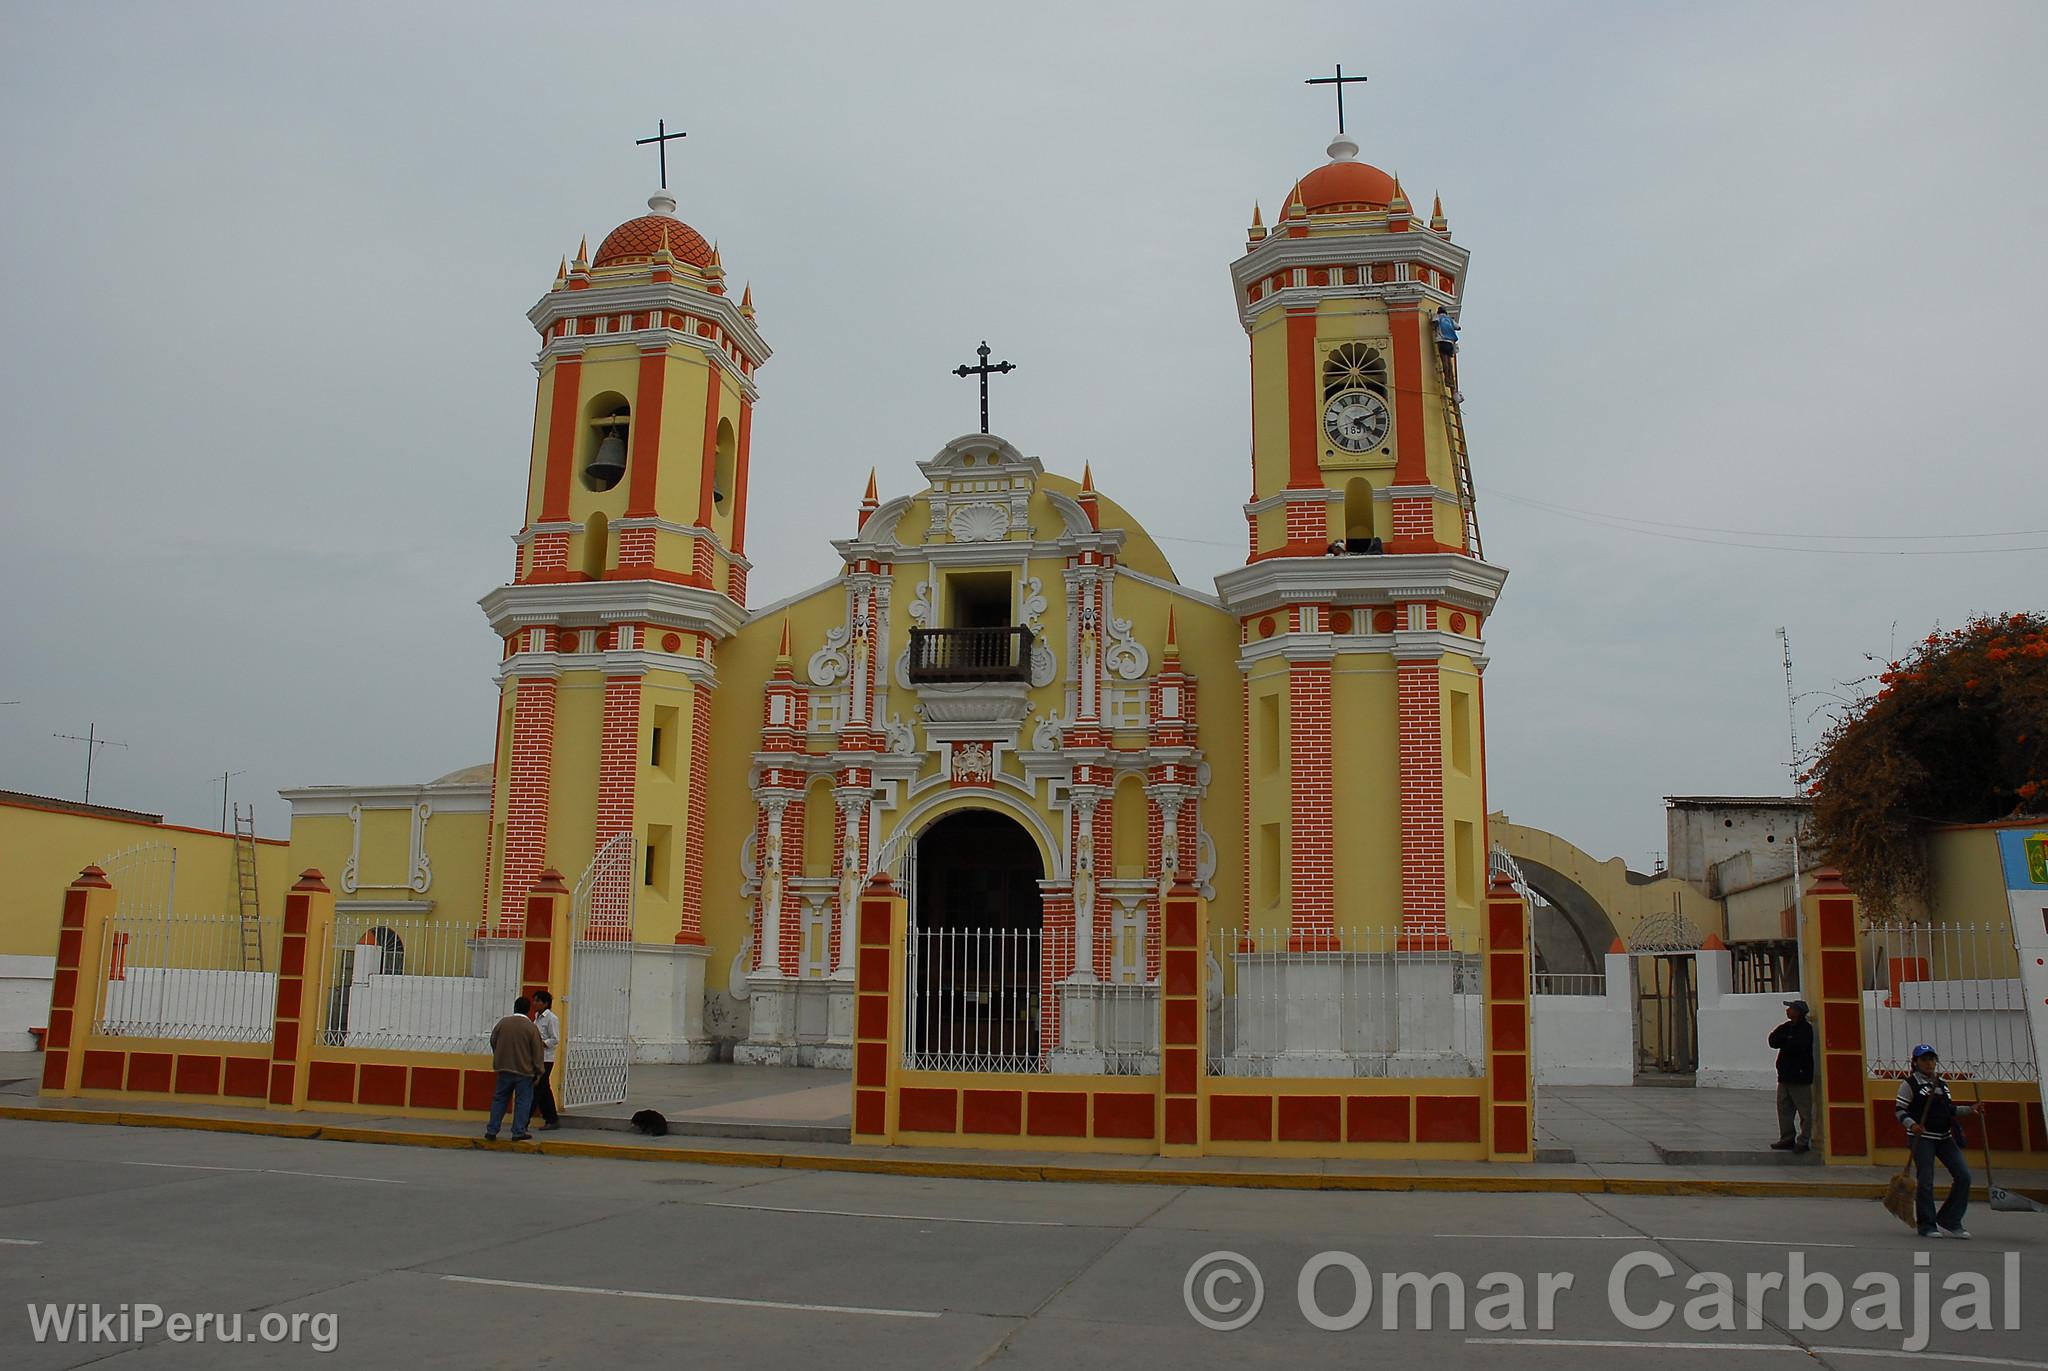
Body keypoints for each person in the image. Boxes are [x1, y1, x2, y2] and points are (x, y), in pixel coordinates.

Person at [1894, 1044, 1976, 1239]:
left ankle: (1950, 1218)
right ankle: (1927, 1225)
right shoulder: (1909, 1084)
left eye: (1932, 1059)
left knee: (1964, 1176)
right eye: (1924, 1059)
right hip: (1922, 1139)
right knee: (1926, 1181)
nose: (1929, 1063)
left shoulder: (1942, 1084)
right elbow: (1900, 1110)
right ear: (1915, 1062)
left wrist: (1971, 1110)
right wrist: (1913, 1125)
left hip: (1944, 1138)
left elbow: (1949, 1110)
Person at [485, 995, 546, 1143]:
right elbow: (537, 1051)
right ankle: (518, 1131)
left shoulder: (503, 1023)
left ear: (515, 1008)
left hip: (504, 1068)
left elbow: (493, 1040)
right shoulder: (531, 1028)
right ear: (528, 1010)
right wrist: (539, 1070)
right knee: (523, 1101)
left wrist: (499, 1056)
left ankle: (492, 1130)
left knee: (499, 1099)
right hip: (524, 1071)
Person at [1767, 999, 1816, 1153]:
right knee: (1784, 1109)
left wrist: (1786, 1041)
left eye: (1791, 1008)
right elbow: (1773, 1040)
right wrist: (1786, 1040)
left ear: (1798, 1011)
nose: (1787, 1010)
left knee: (1804, 1111)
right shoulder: (1787, 1027)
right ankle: (1787, 1137)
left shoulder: (1805, 1029)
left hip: (1799, 1077)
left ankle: (1804, 1140)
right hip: (1785, 1076)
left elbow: (1797, 1046)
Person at [531, 990, 561, 1131]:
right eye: (534, 1000)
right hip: (536, 1057)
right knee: (543, 1089)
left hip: (546, 1058)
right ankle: (551, 1118)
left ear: (545, 1003)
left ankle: (526, 1118)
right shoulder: (536, 1017)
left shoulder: (551, 1019)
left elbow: (555, 1039)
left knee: (539, 1088)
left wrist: (541, 1043)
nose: (535, 1003)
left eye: (538, 1001)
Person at [1433, 308, 1462, 401]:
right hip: (1450, 343)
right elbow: (1458, 327)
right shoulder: (1450, 319)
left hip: (1442, 341)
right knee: (1449, 363)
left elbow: (1434, 322)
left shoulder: (1437, 317)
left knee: (1444, 360)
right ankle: (1450, 380)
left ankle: (1447, 380)